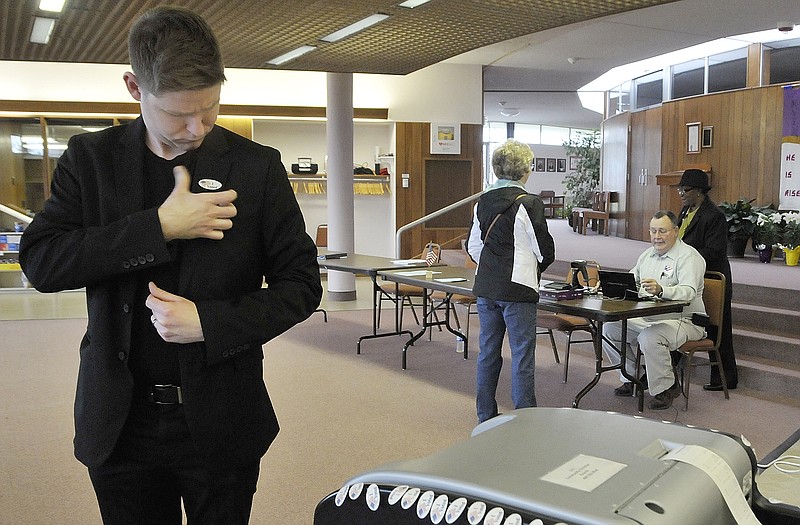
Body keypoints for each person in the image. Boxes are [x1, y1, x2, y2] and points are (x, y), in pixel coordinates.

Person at [19, 7, 322, 525]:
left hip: (221, 416)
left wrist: (211, 323)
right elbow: (43, 263)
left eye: (210, 110)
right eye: (179, 114)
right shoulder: (89, 159)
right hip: (120, 421)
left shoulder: (256, 167)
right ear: (135, 88)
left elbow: (301, 285)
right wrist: (157, 228)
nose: (197, 128)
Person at [467, 140, 555, 423]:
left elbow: (473, 247)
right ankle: (525, 418)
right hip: (518, 289)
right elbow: (544, 251)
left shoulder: (482, 201)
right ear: (524, 171)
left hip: (486, 288)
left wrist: (492, 266)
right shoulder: (528, 203)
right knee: (522, 356)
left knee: (488, 352)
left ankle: (485, 414)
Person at [602, 210, 707, 410]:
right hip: (649, 318)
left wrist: (662, 290)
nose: (656, 237)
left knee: (650, 337)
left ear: (675, 231)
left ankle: (667, 387)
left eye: (662, 231)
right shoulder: (647, 255)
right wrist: (610, 286)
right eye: (653, 231)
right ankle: (633, 377)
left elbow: (688, 292)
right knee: (609, 329)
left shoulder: (688, 257)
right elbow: (632, 281)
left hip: (685, 320)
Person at [677, 168, 738, 390]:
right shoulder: (685, 211)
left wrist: (684, 256)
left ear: (700, 191)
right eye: (679, 189)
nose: (681, 193)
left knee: (718, 329)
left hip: (713, 279)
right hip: (691, 277)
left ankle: (724, 379)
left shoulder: (715, 215)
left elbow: (714, 250)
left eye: (686, 189)